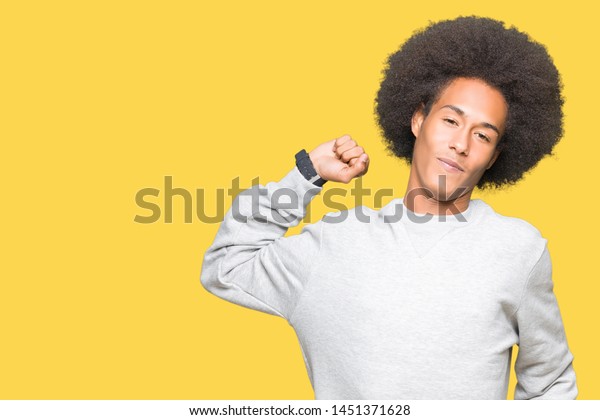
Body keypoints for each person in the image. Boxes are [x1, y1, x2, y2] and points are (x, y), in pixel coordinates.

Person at [200, 16, 578, 399]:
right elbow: (227, 265)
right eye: (450, 120)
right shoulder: (336, 242)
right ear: (418, 119)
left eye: (482, 135)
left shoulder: (518, 249)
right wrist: (306, 175)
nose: (460, 144)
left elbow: (550, 384)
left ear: (494, 157)